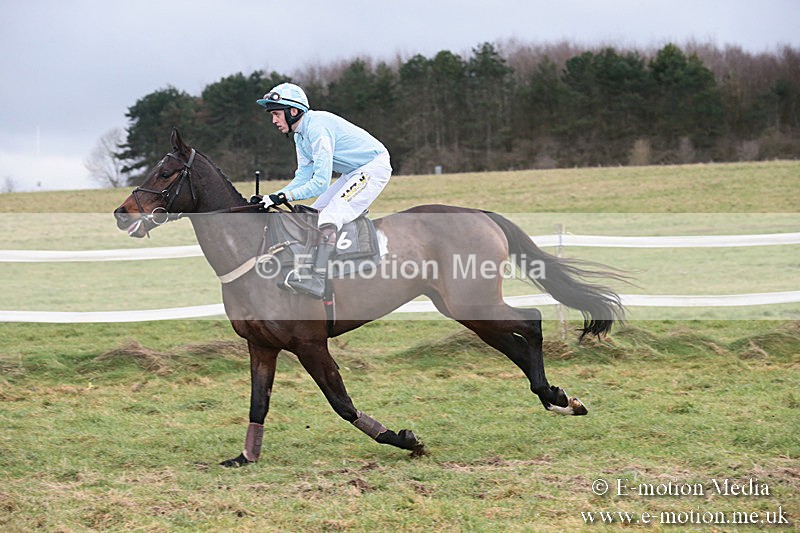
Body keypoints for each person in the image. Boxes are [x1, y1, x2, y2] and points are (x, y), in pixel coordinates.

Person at [255, 82, 392, 299]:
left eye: (276, 114)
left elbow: (320, 183)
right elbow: (302, 177)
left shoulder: (317, 128)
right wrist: (272, 197)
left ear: (293, 111)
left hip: (373, 167)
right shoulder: (300, 135)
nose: (273, 120)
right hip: (353, 172)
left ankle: (317, 280)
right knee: (315, 212)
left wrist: (283, 196)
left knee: (329, 215)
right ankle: (306, 269)